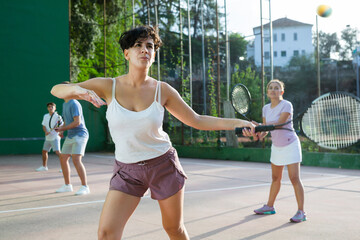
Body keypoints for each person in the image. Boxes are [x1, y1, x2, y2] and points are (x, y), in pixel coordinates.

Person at [51, 25, 256, 239]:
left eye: (149, 46)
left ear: (154, 54)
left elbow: (197, 120)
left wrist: (238, 123)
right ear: (126, 53)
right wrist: (77, 90)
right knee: (106, 233)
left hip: (163, 166)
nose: (144, 50)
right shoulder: (107, 85)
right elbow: (57, 90)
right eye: (137, 45)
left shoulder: (162, 90)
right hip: (127, 171)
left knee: (174, 229)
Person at [244, 79, 306, 223]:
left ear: (281, 92)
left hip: (291, 145)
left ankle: (301, 212)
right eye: (270, 88)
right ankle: (269, 206)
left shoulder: (286, 105)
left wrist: (259, 125)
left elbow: (279, 124)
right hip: (277, 147)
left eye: (276, 88)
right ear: (267, 92)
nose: (273, 90)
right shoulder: (265, 108)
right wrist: (258, 134)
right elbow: (266, 129)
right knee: (275, 179)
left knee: (294, 178)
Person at [54, 81, 90, 195]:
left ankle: (85, 186)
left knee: (76, 159)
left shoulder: (74, 103)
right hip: (70, 135)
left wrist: (62, 129)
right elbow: (66, 121)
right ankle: (67, 185)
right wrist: (61, 129)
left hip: (80, 135)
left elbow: (77, 122)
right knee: (63, 158)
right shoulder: (65, 104)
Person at [36, 102, 63, 171]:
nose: (50, 108)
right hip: (48, 138)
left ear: (55, 108)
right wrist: (46, 132)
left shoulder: (58, 117)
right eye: (49, 107)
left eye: (52, 107)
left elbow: (61, 126)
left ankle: (64, 167)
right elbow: (44, 125)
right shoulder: (45, 116)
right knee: (44, 151)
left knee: (58, 152)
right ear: (47, 108)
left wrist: (60, 132)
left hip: (55, 137)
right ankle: (44, 167)